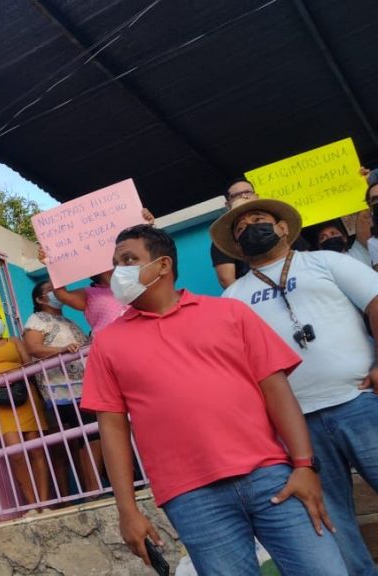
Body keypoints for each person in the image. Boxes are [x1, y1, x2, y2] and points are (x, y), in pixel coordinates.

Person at [82, 224, 346, 575]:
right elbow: (112, 428)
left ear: (163, 265)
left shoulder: (229, 312)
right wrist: (126, 510)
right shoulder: (106, 344)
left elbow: (276, 390)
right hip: (191, 498)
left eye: (129, 260)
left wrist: (304, 465)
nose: (119, 271)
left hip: (271, 476)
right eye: (116, 263)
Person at [212, 198, 378, 575]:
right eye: (241, 228)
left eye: (258, 219)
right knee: (334, 525)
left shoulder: (325, 262)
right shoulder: (232, 298)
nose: (250, 227)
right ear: (236, 245)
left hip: (360, 401)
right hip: (297, 428)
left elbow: (374, 301)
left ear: (283, 227)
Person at [0, 309, 54, 508]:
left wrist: (14, 375)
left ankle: (45, 503)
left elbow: (28, 364)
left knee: (37, 450)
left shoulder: (13, 341)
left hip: (25, 395)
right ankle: (32, 504)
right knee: (15, 453)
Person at [23, 282, 104, 496]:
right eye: (50, 290)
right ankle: (93, 489)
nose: (57, 292)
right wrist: (61, 351)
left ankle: (93, 488)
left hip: (84, 387)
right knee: (88, 434)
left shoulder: (69, 321)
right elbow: (33, 347)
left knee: (90, 435)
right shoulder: (37, 319)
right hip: (62, 390)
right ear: (40, 299)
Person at [38, 209, 155, 335]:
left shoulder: (140, 281)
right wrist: (51, 264)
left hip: (147, 337)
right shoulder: (90, 294)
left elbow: (151, 254)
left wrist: (148, 226)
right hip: (111, 345)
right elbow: (62, 295)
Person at [211, 179, 310, 288]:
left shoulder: (320, 262)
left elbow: (306, 258)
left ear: (282, 228)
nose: (244, 196)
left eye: (248, 192)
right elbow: (226, 280)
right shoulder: (223, 242)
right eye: (237, 195)